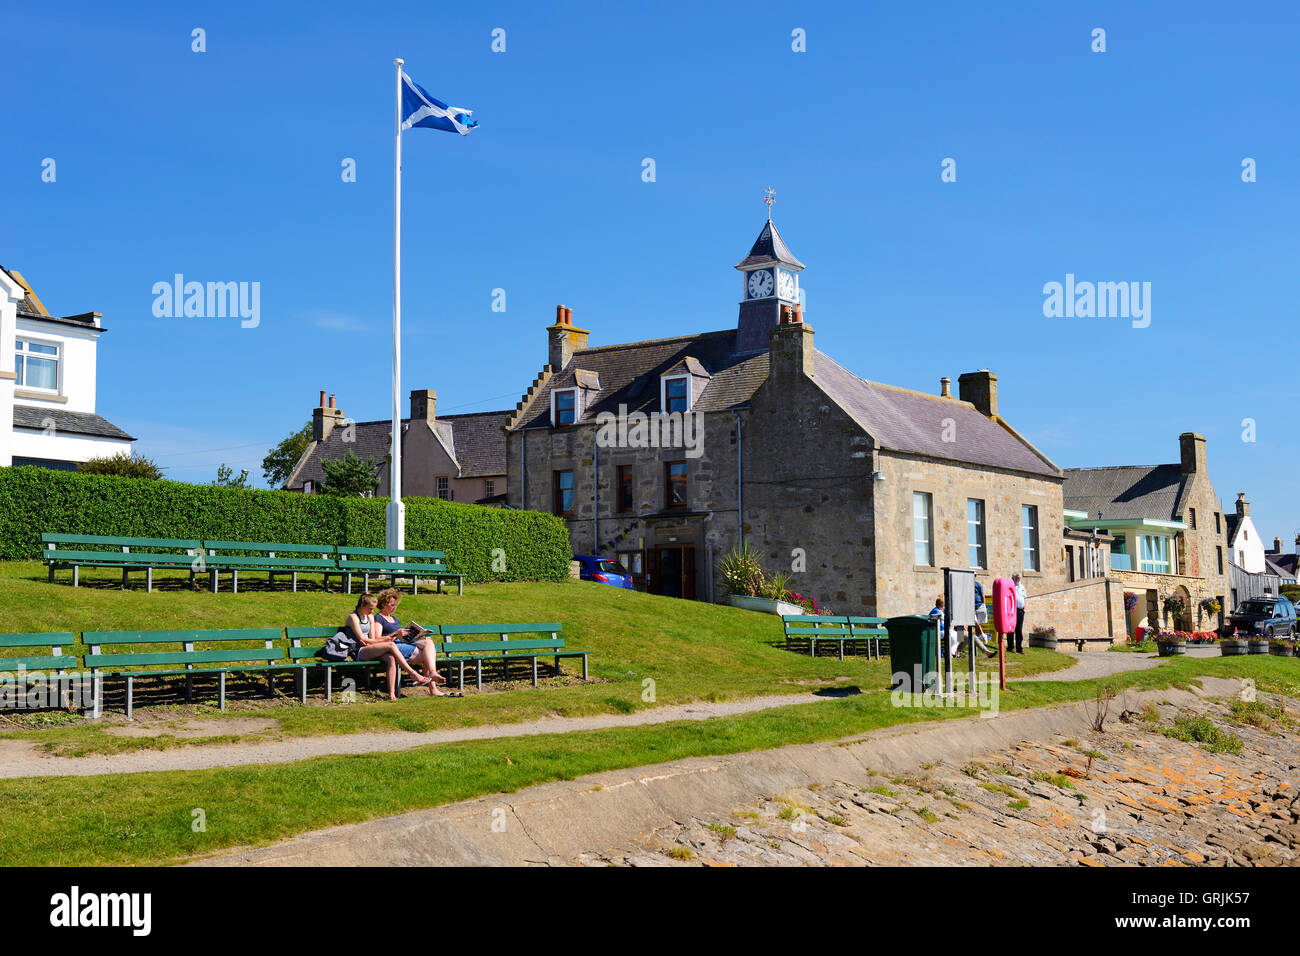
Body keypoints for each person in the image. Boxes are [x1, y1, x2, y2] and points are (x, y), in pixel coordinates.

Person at [344, 593, 434, 701]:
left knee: (391, 658)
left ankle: (392, 694)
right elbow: (362, 640)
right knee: (391, 645)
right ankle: (413, 674)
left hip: (371, 648)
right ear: (362, 605)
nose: (372, 611)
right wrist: (388, 638)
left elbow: (373, 639)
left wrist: (390, 637)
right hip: (359, 650)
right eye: (370, 608)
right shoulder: (353, 617)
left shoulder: (370, 617)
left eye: (373, 609)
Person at [374, 587, 448, 695]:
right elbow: (377, 638)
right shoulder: (379, 618)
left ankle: (432, 673)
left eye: (395, 605)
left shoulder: (395, 619)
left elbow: (400, 634)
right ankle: (433, 689)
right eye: (392, 605)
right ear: (384, 604)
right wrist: (396, 634)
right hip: (392, 646)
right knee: (427, 656)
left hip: (403, 642)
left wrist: (416, 635)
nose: (394, 607)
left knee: (429, 642)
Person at [1011, 572, 1027, 654]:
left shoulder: (1022, 586)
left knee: (1019, 630)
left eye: (1020, 578)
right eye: (1017, 578)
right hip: (1012, 610)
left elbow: (1024, 597)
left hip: (1020, 610)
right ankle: (1010, 647)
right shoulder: (1010, 586)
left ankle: (1019, 648)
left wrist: (1024, 607)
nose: (1019, 579)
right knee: (1011, 629)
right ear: (1013, 578)